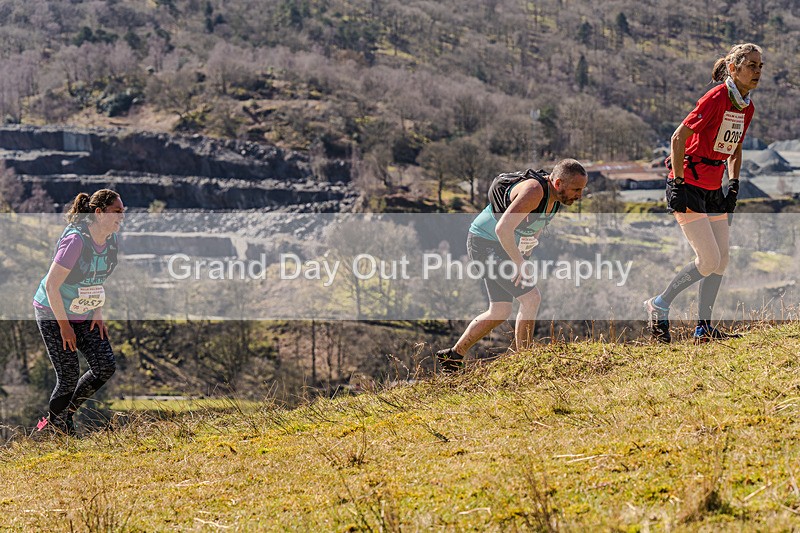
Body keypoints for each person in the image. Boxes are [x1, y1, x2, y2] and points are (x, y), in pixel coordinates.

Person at [645, 43, 762, 344]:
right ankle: (659, 305)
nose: (757, 71)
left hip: (714, 185)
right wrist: (677, 183)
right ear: (733, 69)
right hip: (690, 184)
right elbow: (678, 137)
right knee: (707, 260)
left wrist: (733, 184)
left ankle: (704, 329)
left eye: (760, 66)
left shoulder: (746, 105)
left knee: (721, 260)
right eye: (751, 65)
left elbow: (735, 148)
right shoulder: (716, 97)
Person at [436, 159, 588, 372]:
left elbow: (534, 230)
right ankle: (524, 361)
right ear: (558, 183)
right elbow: (502, 229)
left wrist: (524, 258)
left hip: (502, 247)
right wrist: (519, 264)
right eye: (576, 189)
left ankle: (453, 356)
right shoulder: (534, 191)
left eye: (582, 190)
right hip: (485, 243)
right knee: (531, 298)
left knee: (500, 310)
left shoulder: (555, 201)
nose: (579, 195)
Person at [32, 189, 125, 434]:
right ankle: (60, 430)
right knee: (69, 375)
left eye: (122, 212)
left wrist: (98, 312)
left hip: (84, 310)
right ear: (98, 213)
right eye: (117, 211)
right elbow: (52, 286)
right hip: (53, 311)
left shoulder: (111, 240)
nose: (121, 217)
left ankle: (64, 415)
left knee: (105, 366)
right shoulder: (75, 241)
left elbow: (97, 277)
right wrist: (64, 327)